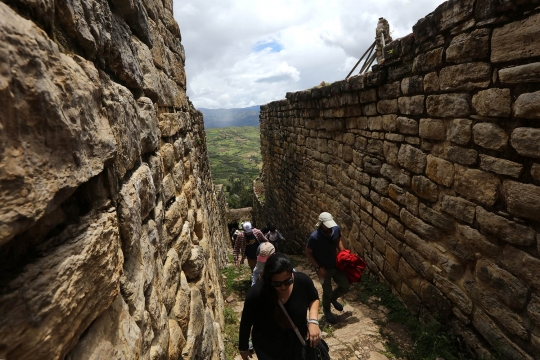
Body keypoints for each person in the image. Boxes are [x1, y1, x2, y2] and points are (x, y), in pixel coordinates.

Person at [239, 253, 321, 360]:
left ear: (292, 273)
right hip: (269, 349)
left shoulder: (303, 282)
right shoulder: (257, 293)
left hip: (297, 344)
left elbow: (313, 298)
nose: (283, 287)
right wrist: (243, 348)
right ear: (269, 280)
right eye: (277, 284)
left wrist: (313, 321)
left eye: (288, 281)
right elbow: (246, 322)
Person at [305, 212, 350, 324]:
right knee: (327, 292)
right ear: (321, 224)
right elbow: (308, 253)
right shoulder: (314, 237)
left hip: (336, 265)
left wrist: (342, 252)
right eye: (326, 225)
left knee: (345, 286)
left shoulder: (335, 229)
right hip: (323, 269)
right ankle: (327, 311)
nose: (329, 227)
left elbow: (338, 239)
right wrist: (318, 267)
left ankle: (333, 299)